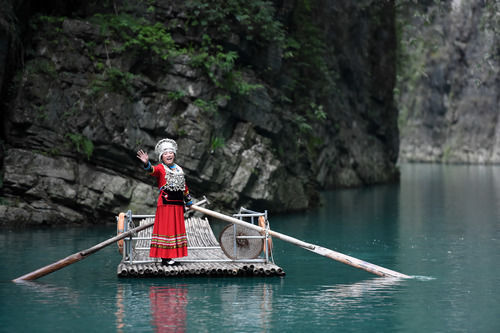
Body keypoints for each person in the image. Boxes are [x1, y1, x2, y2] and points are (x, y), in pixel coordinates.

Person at [136, 138, 193, 265]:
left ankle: (172, 256)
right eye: (166, 153)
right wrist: (146, 163)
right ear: (162, 157)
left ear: (174, 155)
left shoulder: (179, 169)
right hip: (166, 204)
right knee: (166, 229)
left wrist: (188, 201)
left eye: (170, 153)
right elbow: (152, 171)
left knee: (175, 230)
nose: (168, 155)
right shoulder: (161, 168)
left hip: (178, 205)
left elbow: (184, 186)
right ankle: (165, 258)